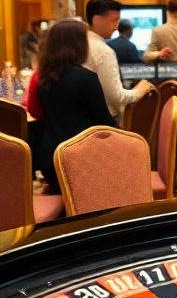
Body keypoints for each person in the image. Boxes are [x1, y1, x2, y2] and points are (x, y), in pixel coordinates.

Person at [34, 20, 116, 194]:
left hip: (50, 162)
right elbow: (105, 124)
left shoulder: (43, 79)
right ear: (80, 44)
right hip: (80, 161)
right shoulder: (86, 77)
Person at [84, 0, 153, 122]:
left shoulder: (81, 43)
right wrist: (138, 91)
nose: (116, 27)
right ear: (97, 19)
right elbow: (115, 97)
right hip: (105, 124)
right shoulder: (104, 52)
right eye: (113, 21)